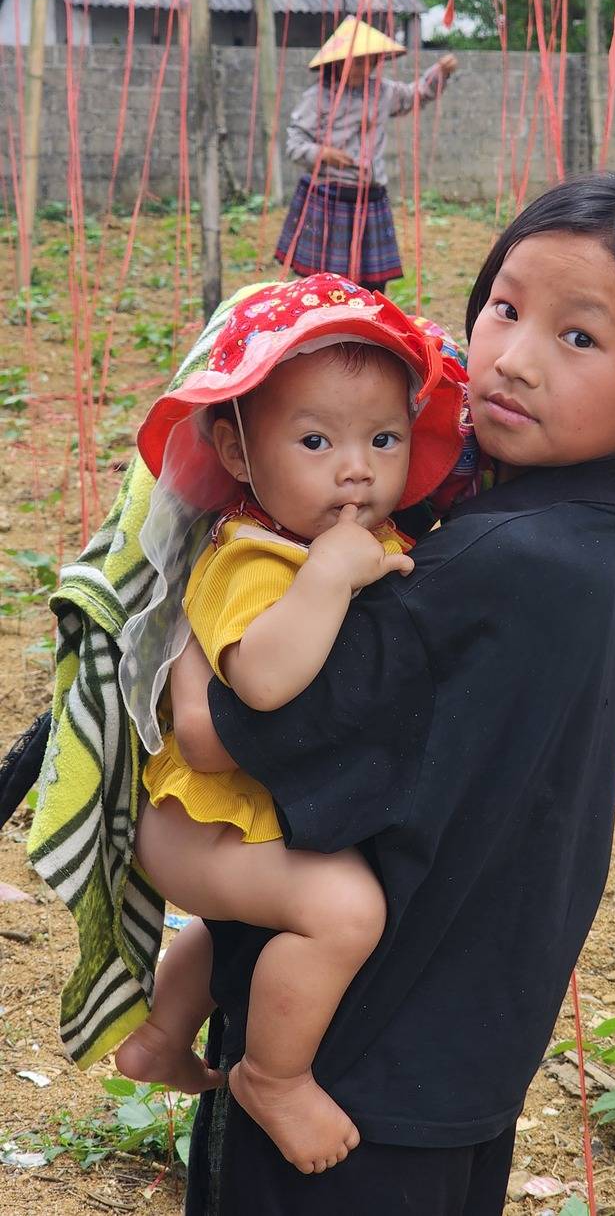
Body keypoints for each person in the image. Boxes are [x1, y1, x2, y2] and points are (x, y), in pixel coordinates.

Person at [175, 170, 615, 1215]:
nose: (512, 359)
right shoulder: (587, 530)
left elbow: (215, 732)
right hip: (456, 1047)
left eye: (578, 337)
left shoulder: (499, 559)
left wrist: (180, 619)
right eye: (504, 308)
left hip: (352, 1063)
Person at [112, 273, 465, 1175]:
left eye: (383, 439)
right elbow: (264, 683)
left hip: (231, 815)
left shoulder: (339, 535)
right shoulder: (256, 557)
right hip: (196, 821)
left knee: (245, 922)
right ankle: (273, 1075)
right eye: (315, 441)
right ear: (236, 451)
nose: (356, 469)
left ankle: (161, 1034)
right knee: (341, 911)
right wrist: (329, 576)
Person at [276, 14, 457, 287]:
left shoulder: (383, 92)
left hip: (370, 198)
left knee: (371, 285)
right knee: (323, 284)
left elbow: (416, 94)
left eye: (366, 62)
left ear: (375, 63)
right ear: (337, 63)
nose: (359, 69)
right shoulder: (317, 97)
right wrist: (323, 153)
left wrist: (440, 72)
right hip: (329, 197)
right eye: (352, 62)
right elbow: (294, 143)